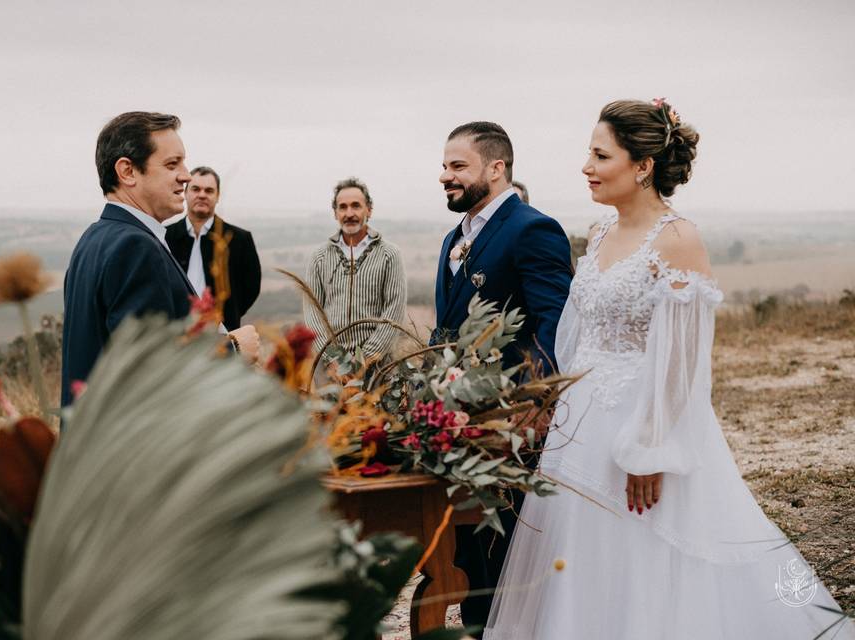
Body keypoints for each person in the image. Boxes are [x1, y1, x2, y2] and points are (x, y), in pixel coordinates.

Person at [483, 100, 854, 639]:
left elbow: (682, 362)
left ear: (642, 166)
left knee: (647, 554)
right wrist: (548, 402)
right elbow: (576, 332)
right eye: (588, 152)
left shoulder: (678, 240)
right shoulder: (600, 232)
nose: (585, 166)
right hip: (581, 429)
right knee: (580, 558)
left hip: (642, 421)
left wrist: (651, 446)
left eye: (599, 154)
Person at [432, 121, 572, 631]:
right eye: (445, 165)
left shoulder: (532, 228)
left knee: (505, 545)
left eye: (457, 166)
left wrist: (532, 400)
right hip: (459, 418)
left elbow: (555, 323)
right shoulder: (456, 234)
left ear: (497, 168)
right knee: (469, 551)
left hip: (512, 422)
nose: (444, 175)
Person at [61, 112, 256, 408]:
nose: (186, 175)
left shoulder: (95, 238)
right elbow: (151, 375)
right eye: (171, 164)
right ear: (127, 172)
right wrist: (233, 348)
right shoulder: (134, 247)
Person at [303, 177, 406, 365]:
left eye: (356, 206)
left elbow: (394, 311)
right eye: (342, 207)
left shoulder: (389, 254)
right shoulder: (319, 257)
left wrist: (364, 360)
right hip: (329, 369)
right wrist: (331, 360)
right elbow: (312, 314)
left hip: (378, 368)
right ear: (335, 213)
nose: (349, 213)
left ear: (369, 210)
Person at [165, 167, 262, 331]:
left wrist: (230, 313)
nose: (202, 194)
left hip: (223, 334)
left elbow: (251, 288)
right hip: (175, 332)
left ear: (217, 197)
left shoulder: (239, 239)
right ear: (186, 193)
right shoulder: (165, 237)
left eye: (209, 190)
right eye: (196, 189)